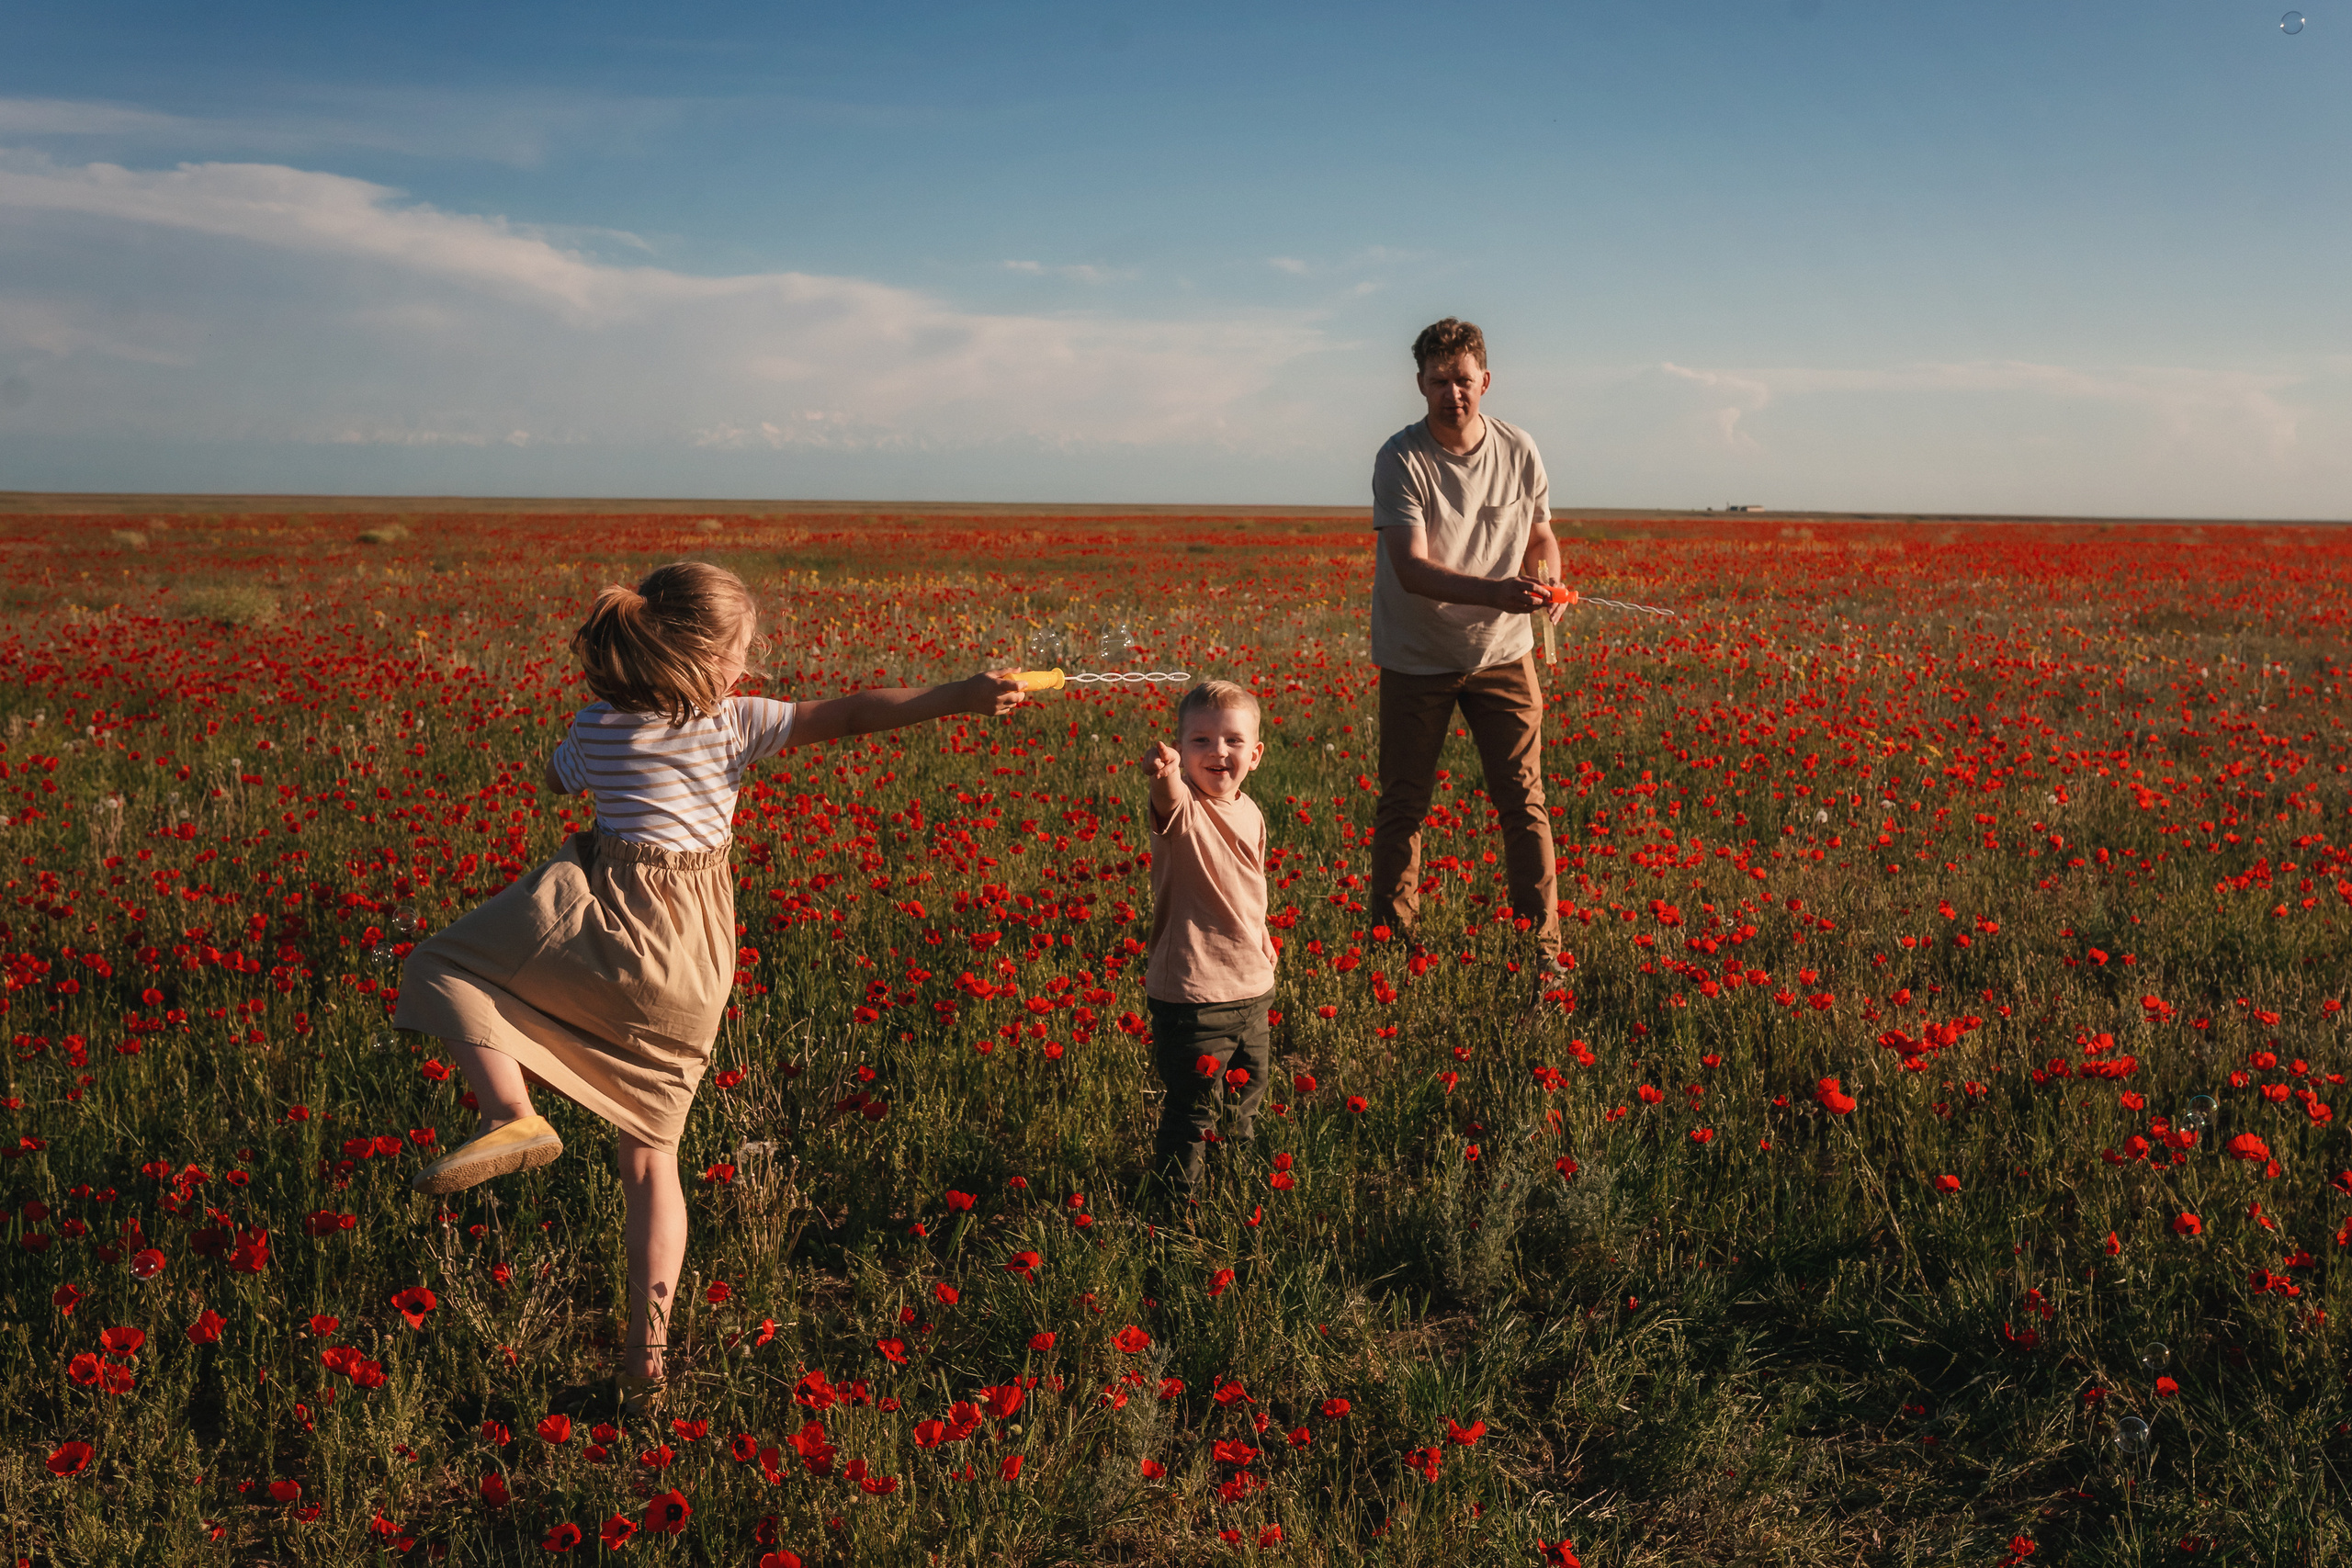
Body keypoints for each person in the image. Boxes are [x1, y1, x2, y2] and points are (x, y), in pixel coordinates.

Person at [395, 561, 1025, 1417]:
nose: (750, 664)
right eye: (746, 650)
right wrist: (957, 693)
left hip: (609, 929)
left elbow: (556, 777)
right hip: (694, 961)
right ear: (712, 660)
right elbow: (850, 712)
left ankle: (511, 1110)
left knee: (440, 965)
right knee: (652, 1159)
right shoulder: (734, 726)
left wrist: (575, 767)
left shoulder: (598, 725)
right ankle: (643, 1366)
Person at [1368, 317, 1567, 1002]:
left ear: (1487, 379)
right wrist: (1499, 592)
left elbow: (1541, 533)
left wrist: (1549, 583)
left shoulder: (1520, 448)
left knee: (1524, 802)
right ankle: (1390, 953)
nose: (1453, 392)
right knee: (1405, 804)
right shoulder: (1401, 459)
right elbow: (1412, 569)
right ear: (1419, 383)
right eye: (1438, 380)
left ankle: (1542, 954)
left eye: (1463, 379)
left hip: (1504, 655)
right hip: (1417, 655)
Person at [1137, 680, 1278, 1201]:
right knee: (1193, 1108)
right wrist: (1166, 776)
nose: (1218, 751)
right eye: (1200, 741)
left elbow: (1251, 883)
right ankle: (1178, 1207)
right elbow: (1167, 799)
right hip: (1195, 996)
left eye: (1233, 741)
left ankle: (1234, 1187)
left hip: (1251, 989)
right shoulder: (1183, 812)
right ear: (1180, 749)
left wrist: (1262, 935)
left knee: (1246, 1095)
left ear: (1255, 754)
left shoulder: (1251, 811)